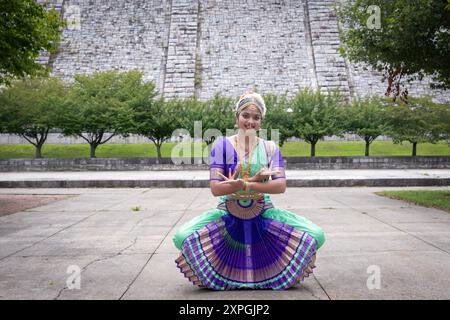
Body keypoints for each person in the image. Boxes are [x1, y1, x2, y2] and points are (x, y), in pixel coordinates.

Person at [172, 91, 325, 290]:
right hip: (227, 211)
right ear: (236, 118)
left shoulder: (270, 147)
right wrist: (242, 183)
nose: (250, 121)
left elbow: (280, 185)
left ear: (261, 121)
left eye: (256, 117)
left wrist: (247, 185)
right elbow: (216, 189)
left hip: (264, 211)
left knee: (317, 235)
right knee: (182, 236)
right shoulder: (222, 146)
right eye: (245, 115)